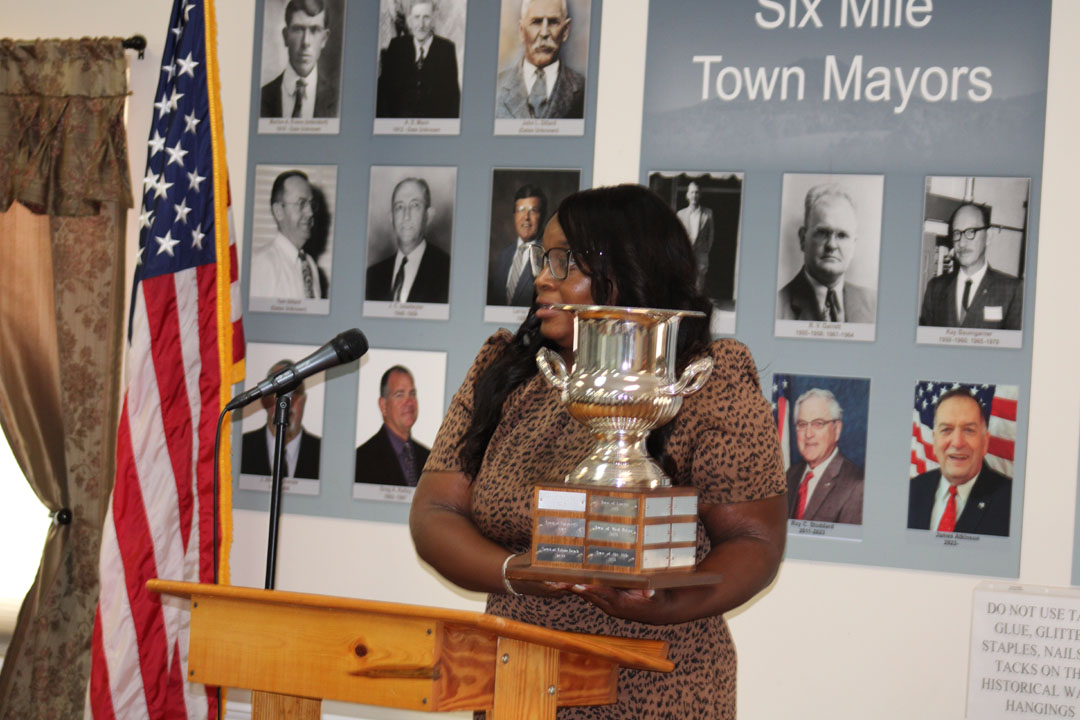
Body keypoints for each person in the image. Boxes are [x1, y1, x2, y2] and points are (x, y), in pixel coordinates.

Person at [410, 184, 787, 719]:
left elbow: (755, 539)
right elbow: (435, 512)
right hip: (520, 680)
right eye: (545, 258)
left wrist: (664, 605)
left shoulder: (705, 379)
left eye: (564, 262)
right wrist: (517, 572)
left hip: (656, 683)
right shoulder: (508, 370)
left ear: (628, 270)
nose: (543, 276)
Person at [908, 388, 1011, 536]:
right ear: (935, 440)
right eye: (946, 430)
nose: (957, 443)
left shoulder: (1011, 502)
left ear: (985, 442)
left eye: (969, 430)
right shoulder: (913, 490)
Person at [777, 184, 876, 323]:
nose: (831, 245)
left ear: (853, 245)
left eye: (842, 235)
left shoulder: (875, 305)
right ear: (803, 238)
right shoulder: (775, 308)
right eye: (822, 233)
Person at [918, 203, 1023, 330]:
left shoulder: (1012, 291)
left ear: (988, 236)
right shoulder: (935, 288)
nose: (961, 243)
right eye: (957, 233)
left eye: (970, 232)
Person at [366, 177, 451, 304]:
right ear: (391, 218)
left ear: (429, 216)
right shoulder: (372, 275)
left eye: (415, 205)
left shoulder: (448, 272)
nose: (406, 216)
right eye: (399, 207)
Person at [495, 0, 585, 120]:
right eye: (536, 22)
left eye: (553, 22)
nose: (544, 33)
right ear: (521, 30)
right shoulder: (497, 86)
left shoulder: (583, 88)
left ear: (566, 30)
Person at [786, 388, 864, 525]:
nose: (808, 434)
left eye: (818, 424)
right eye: (802, 424)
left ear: (837, 429)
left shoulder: (857, 486)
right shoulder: (790, 475)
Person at [375, 1, 461, 119]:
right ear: (410, 21)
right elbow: (382, 96)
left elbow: (453, 101)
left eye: (426, 18)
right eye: (416, 17)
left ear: (433, 20)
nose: (421, 24)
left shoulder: (446, 50)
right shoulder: (396, 47)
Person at [250, 171, 327, 300]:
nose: (310, 213)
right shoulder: (263, 264)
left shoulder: (310, 266)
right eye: (301, 204)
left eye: (311, 205)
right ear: (278, 211)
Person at [241, 360, 321, 479]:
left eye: (295, 392)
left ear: (304, 401)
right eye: (279, 393)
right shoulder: (242, 448)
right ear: (265, 401)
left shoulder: (322, 452)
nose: (287, 402)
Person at [260, 0, 338, 119]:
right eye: (298, 30)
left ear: (324, 39)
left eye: (314, 30)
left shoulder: (338, 98)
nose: (305, 42)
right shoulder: (261, 96)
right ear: (285, 36)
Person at [355, 366, 431, 486]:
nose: (409, 402)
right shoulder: (361, 460)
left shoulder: (430, 460)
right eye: (400, 395)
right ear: (383, 405)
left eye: (412, 394)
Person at [487, 184, 546, 306]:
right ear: (514, 215)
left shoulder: (548, 255)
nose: (526, 217)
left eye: (533, 210)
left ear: (542, 215)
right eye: (521, 210)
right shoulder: (504, 255)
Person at [675, 181, 713, 291]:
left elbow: (711, 235)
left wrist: (705, 251)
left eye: (696, 192)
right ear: (687, 195)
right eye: (692, 192)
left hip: (701, 254)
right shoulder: (680, 214)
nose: (694, 195)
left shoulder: (708, 213)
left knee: (699, 283)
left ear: (700, 194)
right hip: (685, 254)